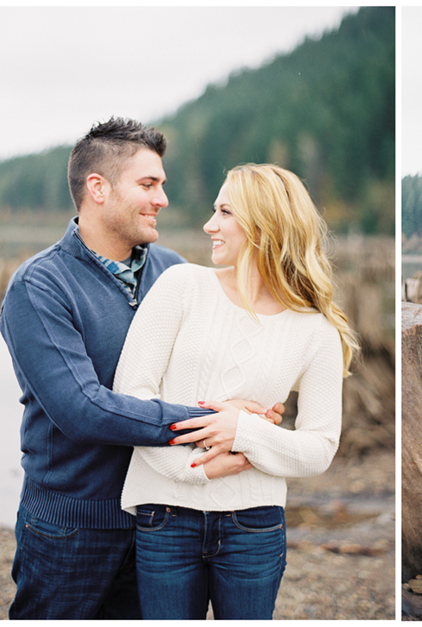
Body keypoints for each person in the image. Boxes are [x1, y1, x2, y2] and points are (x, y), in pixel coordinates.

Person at [0, 117, 276, 619]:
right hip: (72, 526)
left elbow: (215, 361)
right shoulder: (40, 286)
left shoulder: (173, 270)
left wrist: (256, 408)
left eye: (162, 185)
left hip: (165, 520)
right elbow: (81, 409)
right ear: (98, 188)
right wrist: (208, 423)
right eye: (148, 184)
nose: (162, 199)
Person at [112, 162, 359, 619]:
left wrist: (242, 431)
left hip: (254, 524)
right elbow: (131, 399)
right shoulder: (181, 286)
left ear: (264, 227)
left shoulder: (315, 330)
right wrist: (200, 470)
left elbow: (320, 446)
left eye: (225, 212)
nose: (210, 225)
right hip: (164, 515)